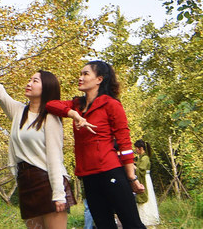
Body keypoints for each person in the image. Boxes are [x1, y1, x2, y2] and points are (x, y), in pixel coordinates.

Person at [0, 54, 74, 229]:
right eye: (29, 79)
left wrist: (59, 194)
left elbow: (55, 158)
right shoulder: (19, 112)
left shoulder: (51, 118)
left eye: (35, 81)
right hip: (26, 181)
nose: (29, 83)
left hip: (48, 182)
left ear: (46, 87)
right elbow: (1, 94)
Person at [46, 60, 146, 229]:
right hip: (88, 175)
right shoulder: (77, 105)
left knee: (132, 224)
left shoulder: (111, 104)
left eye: (85, 74)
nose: (80, 78)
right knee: (103, 225)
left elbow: (124, 142)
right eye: (80, 74)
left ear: (99, 79)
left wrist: (131, 178)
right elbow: (50, 105)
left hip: (110, 171)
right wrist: (73, 115)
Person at [134, 140, 160, 226]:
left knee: (146, 197)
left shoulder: (145, 158)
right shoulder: (141, 157)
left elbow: (141, 170)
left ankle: (148, 219)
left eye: (136, 148)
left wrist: (133, 167)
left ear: (141, 148)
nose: (136, 150)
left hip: (145, 178)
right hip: (144, 178)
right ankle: (142, 218)